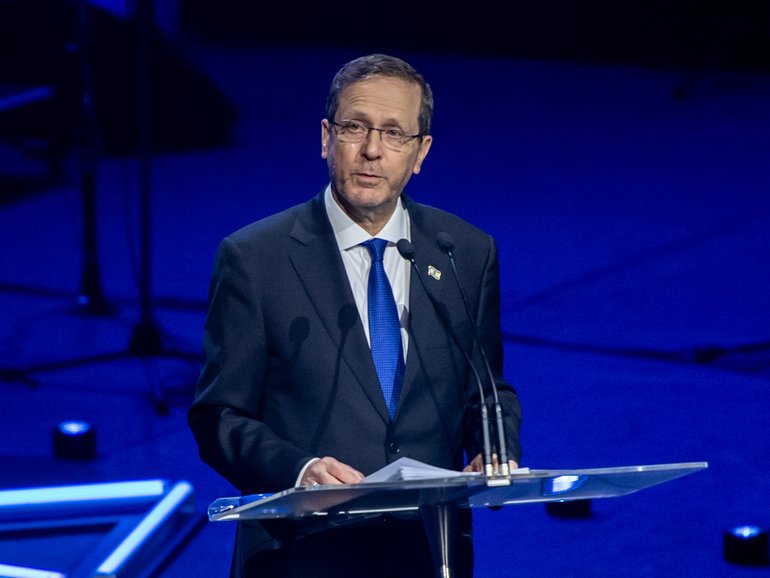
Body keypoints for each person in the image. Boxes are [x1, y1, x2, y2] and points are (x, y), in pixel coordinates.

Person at [188, 53, 522, 578]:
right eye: (355, 128)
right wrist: (297, 470)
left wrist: (493, 448)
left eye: (394, 134)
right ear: (326, 137)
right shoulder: (256, 258)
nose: (371, 151)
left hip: (428, 548)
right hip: (302, 550)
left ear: (420, 152)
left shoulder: (464, 252)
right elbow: (218, 416)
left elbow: (487, 389)